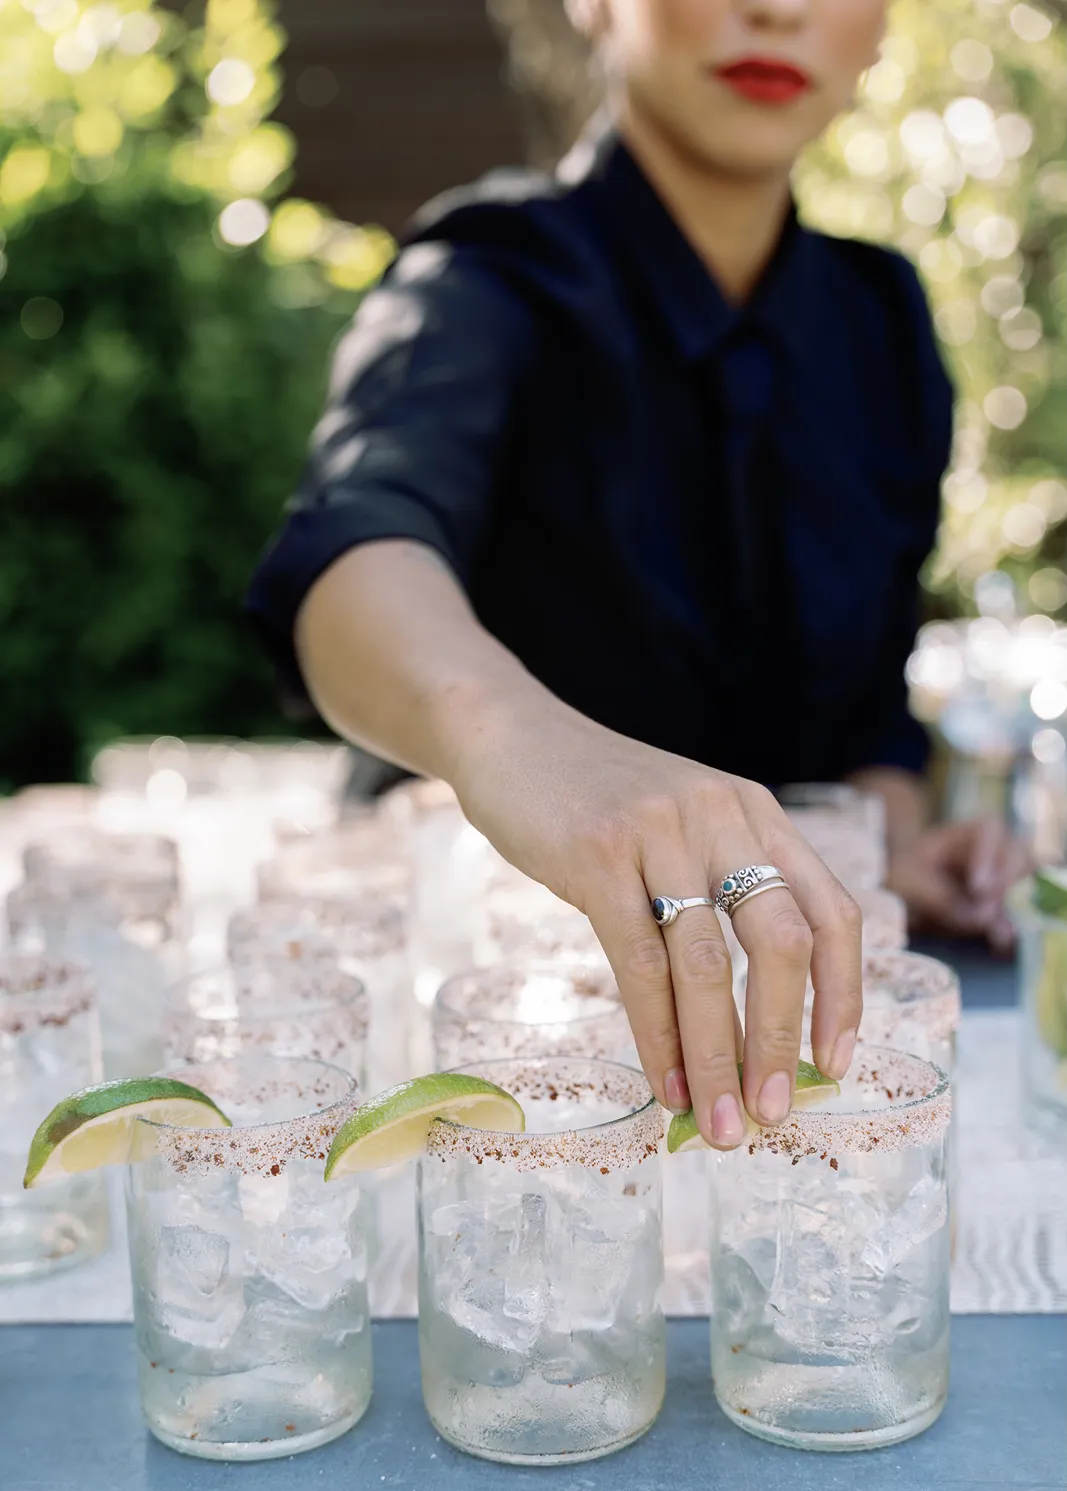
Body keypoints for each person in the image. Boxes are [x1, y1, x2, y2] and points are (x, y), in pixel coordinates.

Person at [248, 0, 1027, 1151]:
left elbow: (867, 701)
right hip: (505, 1064)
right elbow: (350, 548)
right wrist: (514, 740)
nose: (776, 9)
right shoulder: (485, 274)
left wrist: (884, 844)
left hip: (787, 1071)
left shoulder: (881, 319)